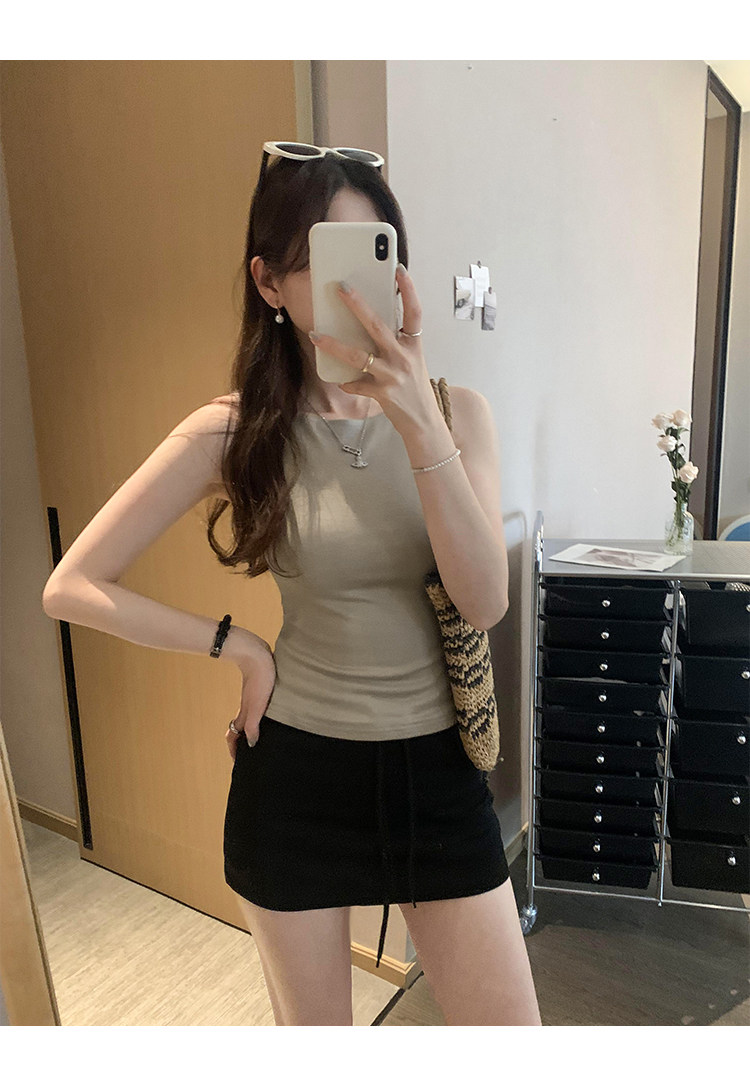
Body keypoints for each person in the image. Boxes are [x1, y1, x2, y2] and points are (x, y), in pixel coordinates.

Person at [43, 141, 542, 1027]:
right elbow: (72, 584)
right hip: (297, 782)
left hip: (438, 777)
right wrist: (237, 647)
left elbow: (485, 602)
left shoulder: (458, 414)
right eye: (325, 259)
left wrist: (419, 424)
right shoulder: (235, 431)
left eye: (376, 251)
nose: (359, 287)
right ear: (269, 282)